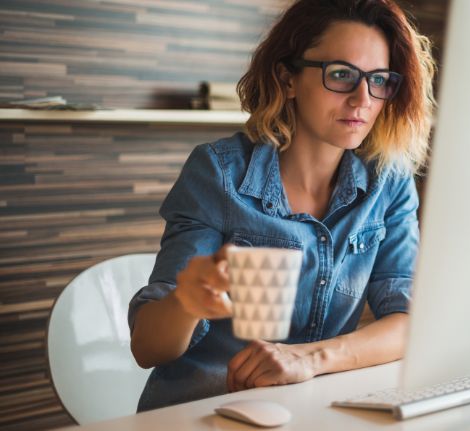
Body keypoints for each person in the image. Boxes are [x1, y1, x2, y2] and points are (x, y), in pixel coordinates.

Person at [127, 0, 435, 411]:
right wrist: (186, 303)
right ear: (287, 78)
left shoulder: (388, 180)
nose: (363, 98)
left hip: (312, 414)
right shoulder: (219, 173)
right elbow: (147, 349)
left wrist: (311, 358)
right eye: (341, 75)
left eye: (379, 80)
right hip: (201, 412)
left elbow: (409, 322)